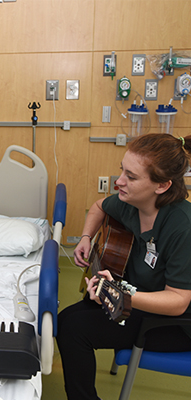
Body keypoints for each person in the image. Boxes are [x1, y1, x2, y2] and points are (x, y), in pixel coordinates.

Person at [57, 133, 191, 400]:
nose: (118, 182)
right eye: (121, 171)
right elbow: (98, 206)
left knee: (74, 330)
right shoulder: (130, 204)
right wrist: (86, 237)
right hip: (140, 296)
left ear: (162, 185)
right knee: (66, 319)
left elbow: (178, 301)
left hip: (175, 324)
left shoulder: (182, 226)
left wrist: (118, 293)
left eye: (131, 177)